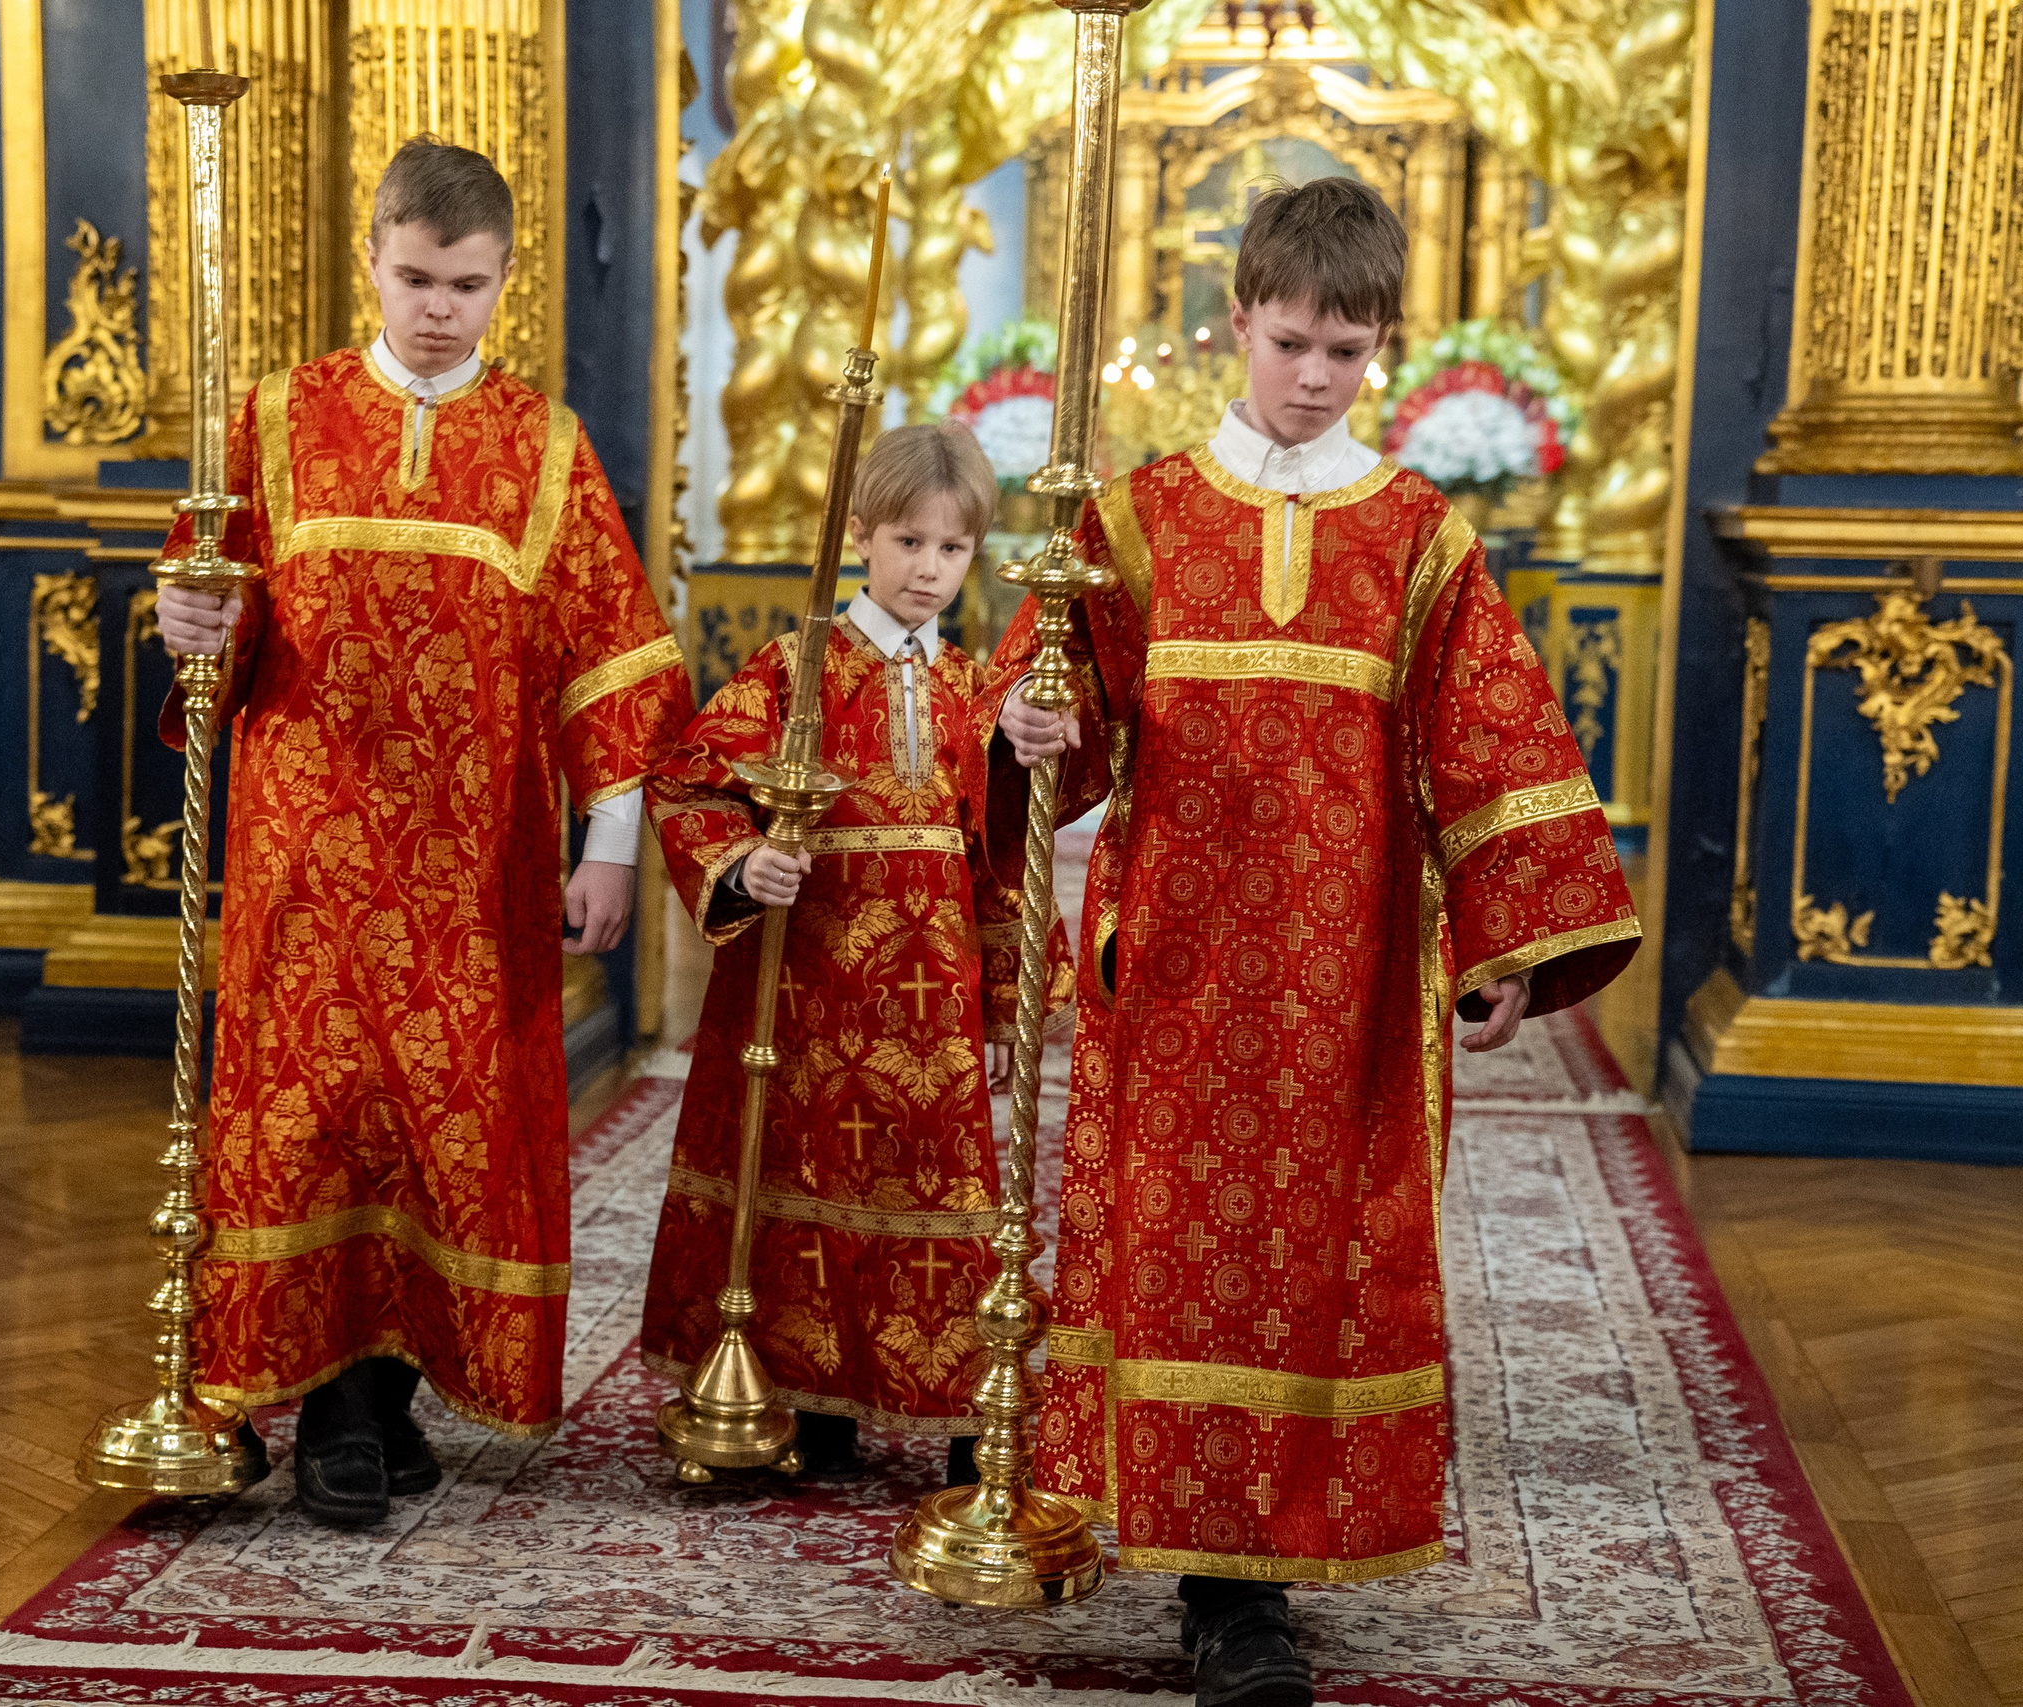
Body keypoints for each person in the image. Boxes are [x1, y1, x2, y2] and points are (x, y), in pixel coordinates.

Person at [991, 177, 1639, 1707]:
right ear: (1238, 321)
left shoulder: (1418, 535)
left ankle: (1262, 1575)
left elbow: (1488, 739)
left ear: (1383, 348)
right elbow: (1060, 721)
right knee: (1173, 1258)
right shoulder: (1139, 518)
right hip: (1178, 970)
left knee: (1315, 1267)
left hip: (1345, 983)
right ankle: (1208, 1571)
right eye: (1291, 342)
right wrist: (1035, 719)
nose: (1314, 376)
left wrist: (1510, 943)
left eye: (1347, 352)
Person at [155, 136, 691, 1527]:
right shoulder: (275, 419)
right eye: (414, 277)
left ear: (505, 279)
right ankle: (330, 1402)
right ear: (371, 259)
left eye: (468, 283)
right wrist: (191, 620)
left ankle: (384, 1395)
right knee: (316, 1114)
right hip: (306, 849)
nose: (438, 307)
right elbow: (215, 601)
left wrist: (612, 842)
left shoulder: (543, 445)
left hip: (472, 861)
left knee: (444, 1123)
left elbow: (610, 655)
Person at [640, 423, 1052, 1484]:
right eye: (908, 542)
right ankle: (805, 1390)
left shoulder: (971, 686)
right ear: (861, 536)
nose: (927, 569)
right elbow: (689, 779)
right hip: (812, 988)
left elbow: (997, 854)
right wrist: (742, 865)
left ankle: (967, 1407)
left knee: (946, 1187)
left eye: (952, 551)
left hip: (935, 1003)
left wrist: (1003, 1004)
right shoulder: (794, 670)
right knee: (804, 1179)